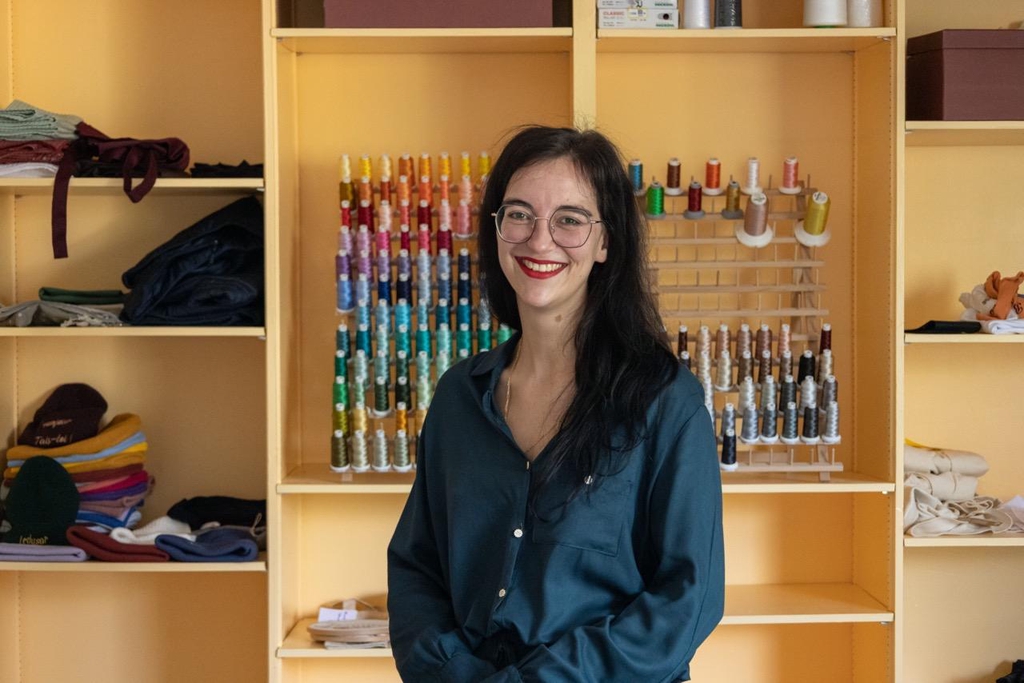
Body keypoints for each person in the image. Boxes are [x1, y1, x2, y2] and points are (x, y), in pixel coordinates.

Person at [387, 125, 724, 682]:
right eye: (518, 214)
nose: (539, 242)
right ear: (496, 230)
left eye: (569, 219)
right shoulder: (457, 399)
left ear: (605, 241)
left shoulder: (665, 402)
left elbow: (688, 600)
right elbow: (416, 569)